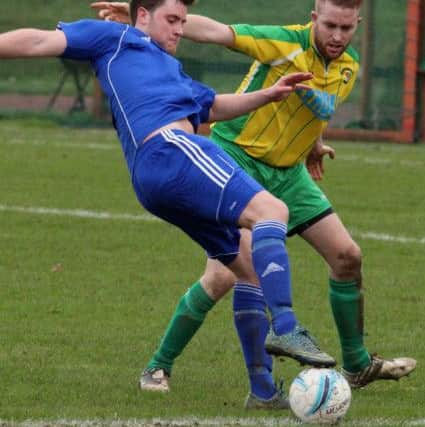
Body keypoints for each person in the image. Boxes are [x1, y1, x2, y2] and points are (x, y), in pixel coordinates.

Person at [0, 0, 322, 411]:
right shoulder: (114, 37)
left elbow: (215, 107)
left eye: (183, 22)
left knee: (249, 270)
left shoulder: (173, 71)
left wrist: (269, 95)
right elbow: (40, 40)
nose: (179, 29)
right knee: (273, 211)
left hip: (156, 179)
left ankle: (262, 391)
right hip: (170, 149)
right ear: (142, 15)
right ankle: (288, 327)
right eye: (172, 20)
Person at [90, 0, 417, 402]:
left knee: (347, 256)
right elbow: (220, 32)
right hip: (237, 159)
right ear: (314, 18)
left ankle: (356, 364)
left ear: (357, 25)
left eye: (346, 28)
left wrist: (313, 144)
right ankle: (159, 364)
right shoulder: (284, 43)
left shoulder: (347, 66)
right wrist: (149, 17)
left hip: (289, 173)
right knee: (226, 274)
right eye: (330, 25)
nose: (337, 36)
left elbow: (315, 106)